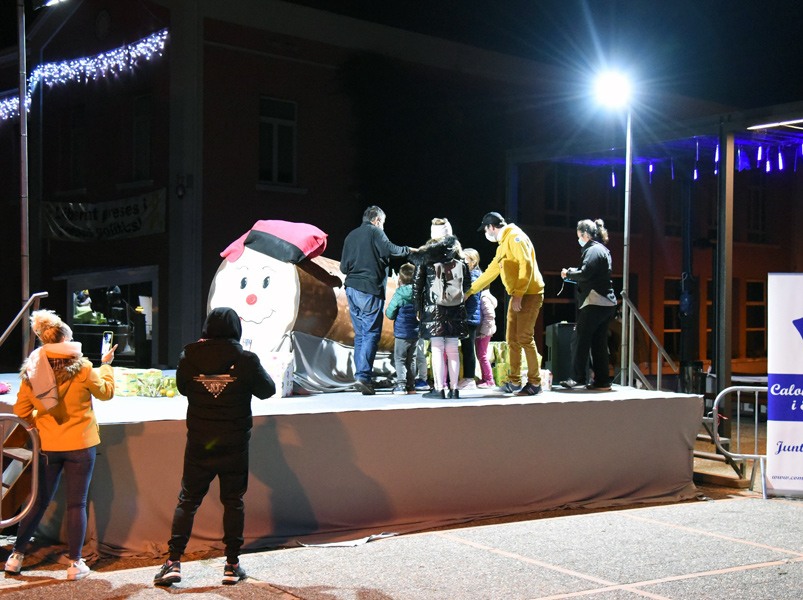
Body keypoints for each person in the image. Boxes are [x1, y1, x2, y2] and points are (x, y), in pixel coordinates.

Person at [154, 307, 275, 587]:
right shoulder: (246, 360)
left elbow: (183, 388)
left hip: (200, 442)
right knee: (233, 502)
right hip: (234, 443)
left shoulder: (188, 357)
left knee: (188, 501)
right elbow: (267, 390)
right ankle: (232, 566)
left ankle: (173, 562)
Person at [5, 310, 117, 580]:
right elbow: (106, 393)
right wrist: (106, 366)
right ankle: (74, 564)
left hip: (49, 445)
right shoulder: (84, 368)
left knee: (38, 502)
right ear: (65, 339)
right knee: (76, 505)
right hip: (81, 444)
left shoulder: (32, 372)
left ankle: (16, 556)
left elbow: (21, 411)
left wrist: (43, 419)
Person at [468, 212, 545, 396]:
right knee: (512, 339)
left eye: (485, 230)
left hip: (529, 294)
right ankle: (514, 381)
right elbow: (490, 273)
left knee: (524, 337)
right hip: (518, 295)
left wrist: (519, 294)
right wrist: (469, 291)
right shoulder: (503, 244)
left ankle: (535, 383)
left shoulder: (515, 237)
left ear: (491, 227)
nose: (486, 233)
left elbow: (526, 265)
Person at [341, 206, 413, 395]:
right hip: (369, 289)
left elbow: (343, 268)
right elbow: (390, 250)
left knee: (360, 334)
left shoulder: (350, 236)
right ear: (377, 220)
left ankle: (360, 375)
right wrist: (409, 250)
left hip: (351, 289)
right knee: (371, 333)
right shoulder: (375, 231)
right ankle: (364, 377)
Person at [412, 218, 471, 400]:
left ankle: (439, 388)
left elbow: (417, 284)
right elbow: (467, 284)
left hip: (433, 307)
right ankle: (454, 389)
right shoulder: (459, 255)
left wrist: (418, 307)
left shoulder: (426, 255)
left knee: (437, 348)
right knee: (453, 348)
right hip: (456, 307)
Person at [559, 219, 618, 391]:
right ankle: (602, 381)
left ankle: (577, 378)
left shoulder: (592, 250)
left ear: (585, 234)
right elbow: (591, 275)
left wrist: (568, 274)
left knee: (580, 339)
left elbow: (585, 274)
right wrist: (573, 274)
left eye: (579, 236)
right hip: (606, 303)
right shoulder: (602, 250)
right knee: (598, 342)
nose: (579, 240)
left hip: (595, 301)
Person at [385, 263, 419, 394]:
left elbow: (390, 313)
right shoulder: (419, 293)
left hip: (401, 332)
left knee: (400, 359)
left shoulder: (399, 294)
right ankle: (411, 386)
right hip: (415, 333)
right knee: (412, 360)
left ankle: (401, 385)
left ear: (400, 278)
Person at [458, 248, 482, 389]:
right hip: (468, 317)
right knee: (466, 347)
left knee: (468, 348)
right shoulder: (471, 276)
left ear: (473, 262)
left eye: (465, 260)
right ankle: (467, 377)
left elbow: (464, 296)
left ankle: (469, 378)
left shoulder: (474, 277)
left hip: (469, 317)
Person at [475, 281, 498, 388]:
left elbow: (489, 315)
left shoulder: (484, 298)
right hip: (485, 330)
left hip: (484, 331)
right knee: (481, 355)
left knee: (482, 355)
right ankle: (485, 378)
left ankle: (489, 380)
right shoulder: (485, 296)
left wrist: (483, 331)